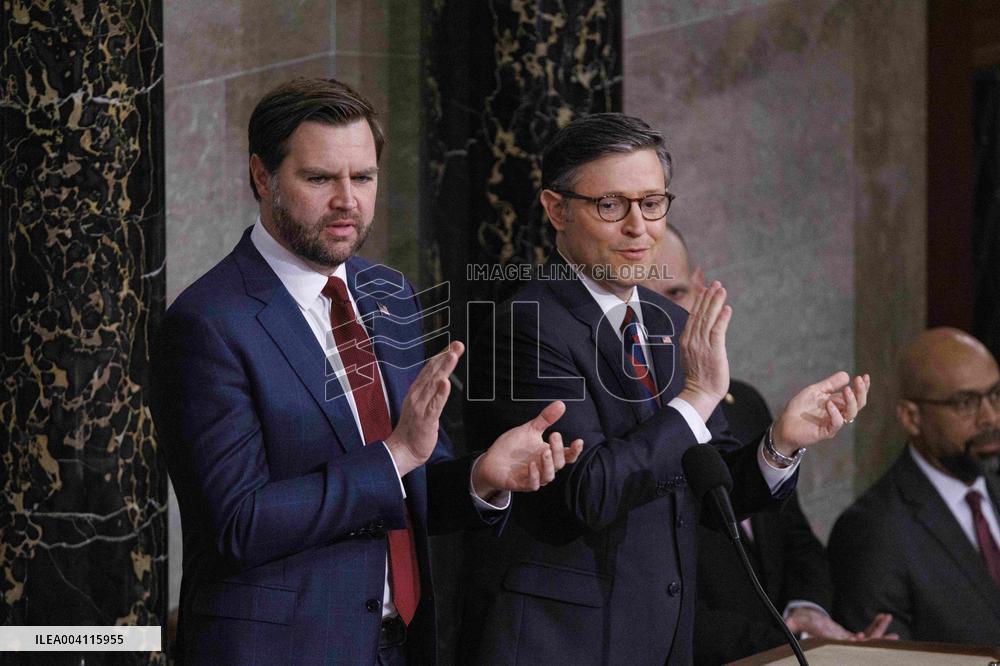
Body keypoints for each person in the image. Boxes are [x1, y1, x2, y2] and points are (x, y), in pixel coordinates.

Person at [150, 77, 583, 665]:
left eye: (364, 177)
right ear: (262, 176)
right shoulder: (207, 323)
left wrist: (483, 476)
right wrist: (398, 454)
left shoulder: (389, 293)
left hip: (399, 645)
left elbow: (409, 483)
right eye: (320, 178)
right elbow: (237, 523)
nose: (347, 200)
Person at [458, 112, 870, 665]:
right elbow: (586, 491)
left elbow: (711, 492)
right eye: (611, 205)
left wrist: (780, 445)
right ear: (557, 209)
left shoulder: (668, 323)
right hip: (564, 644)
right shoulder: (526, 324)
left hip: (663, 640)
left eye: (652, 203)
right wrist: (696, 399)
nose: (639, 227)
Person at [642, 226, 892, 663]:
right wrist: (791, 646)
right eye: (647, 299)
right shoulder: (633, 427)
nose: (665, 314)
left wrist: (807, 612)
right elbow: (650, 601)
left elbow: (794, 538)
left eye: (676, 292)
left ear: (702, 289)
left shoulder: (744, 403)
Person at [829, 327, 1000, 645]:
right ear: (911, 417)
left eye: (995, 395)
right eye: (966, 403)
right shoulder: (871, 532)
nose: (991, 417)